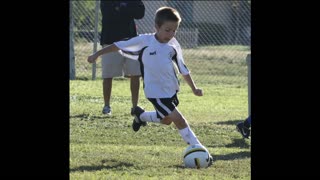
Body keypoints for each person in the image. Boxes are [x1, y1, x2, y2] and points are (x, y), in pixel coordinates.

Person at [88, 6, 212, 162]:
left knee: (166, 120)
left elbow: (183, 69)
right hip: (155, 92)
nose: (171, 34)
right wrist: (96, 54)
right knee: (179, 119)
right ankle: (200, 150)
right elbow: (118, 45)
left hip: (170, 90)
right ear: (157, 27)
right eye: (167, 30)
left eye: (174, 30)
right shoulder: (144, 41)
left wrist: (194, 89)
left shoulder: (173, 45)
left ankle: (141, 116)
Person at [99, 1, 145, 115]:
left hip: (131, 40)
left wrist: (121, 7)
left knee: (135, 74)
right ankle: (107, 106)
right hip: (110, 39)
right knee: (108, 75)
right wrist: (127, 8)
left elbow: (140, 13)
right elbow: (109, 13)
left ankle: (135, 107)